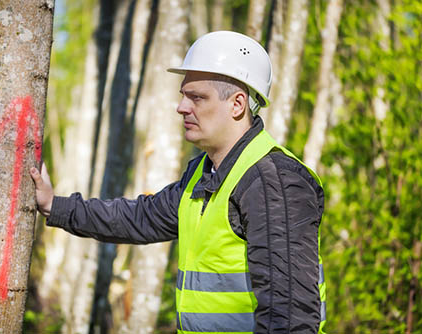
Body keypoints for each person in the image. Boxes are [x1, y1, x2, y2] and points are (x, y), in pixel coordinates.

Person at [30, 31, 326, 334]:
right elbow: (139, 218)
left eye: (197, 97)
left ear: (237, 104)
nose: (182, 107)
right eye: (184, 95)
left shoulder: (273, 182)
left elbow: (291, 316)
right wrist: (55, 206)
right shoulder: (204, 173)